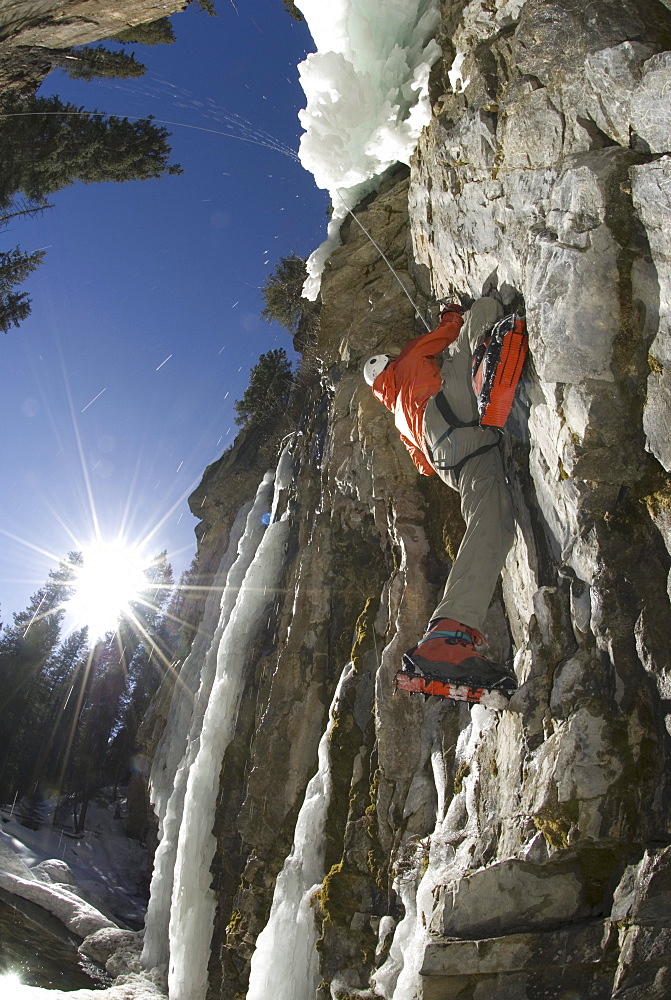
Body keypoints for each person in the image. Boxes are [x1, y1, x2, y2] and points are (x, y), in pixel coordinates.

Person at [363, 297, 517, 698]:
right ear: (386, 362)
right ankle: (484, 371)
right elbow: (446, 332)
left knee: (494, 520)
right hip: (450, 414)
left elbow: (423, 467)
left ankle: (448, 635)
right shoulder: (406, 360)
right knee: (483, 310)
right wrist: (451, 313)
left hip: (449, 459)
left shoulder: (396, 416)